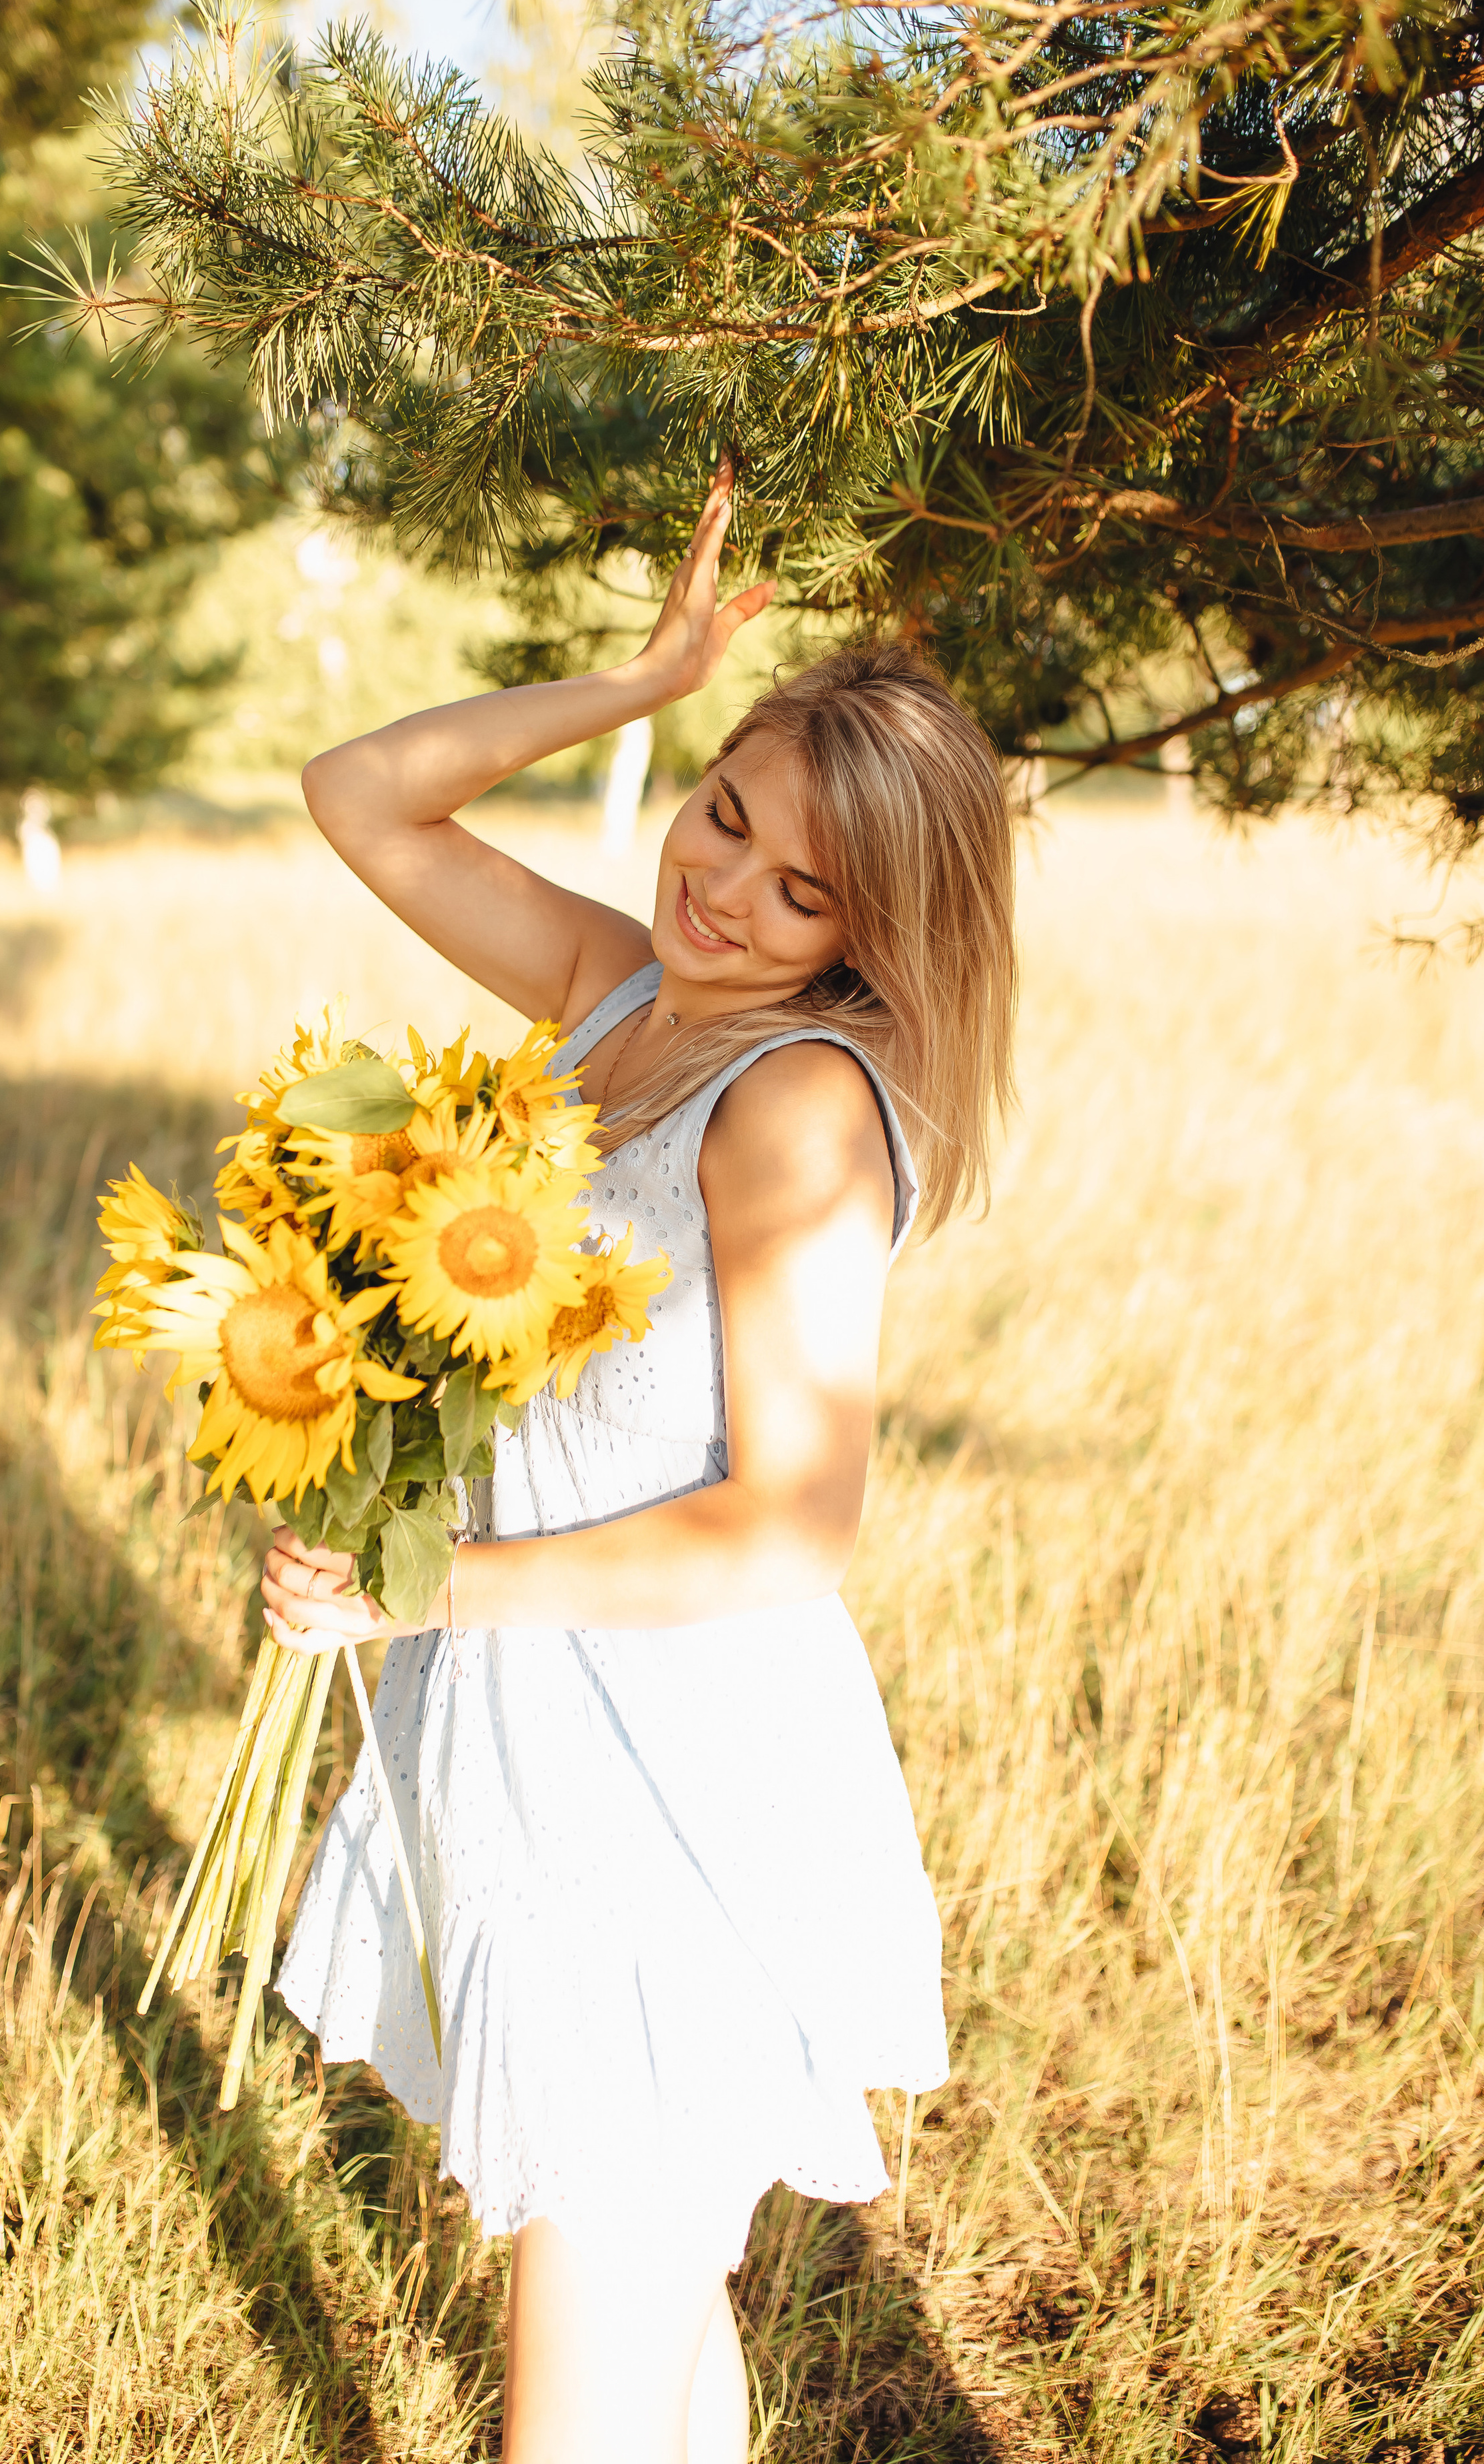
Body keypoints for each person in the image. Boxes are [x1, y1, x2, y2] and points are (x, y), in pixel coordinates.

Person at [259, 461, 1017, 2464]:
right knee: (653, 2341)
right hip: (530, 1735)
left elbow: (798, 1521)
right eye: (727, 812)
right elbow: (363, 792)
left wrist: (440, 1582)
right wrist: (651, 675)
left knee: (576, 2399)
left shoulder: (799, 1114)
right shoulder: (624, 1002)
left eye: (803, 890)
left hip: (669, 1790)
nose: (728, 888)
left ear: (876, 932)